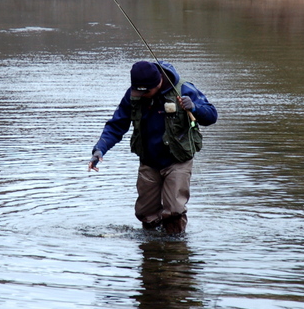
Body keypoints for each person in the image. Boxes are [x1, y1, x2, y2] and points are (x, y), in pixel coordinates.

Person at [88, 60, 217, 234]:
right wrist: (99, 149)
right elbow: (116, 125)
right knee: (145, 213)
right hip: (149, 160)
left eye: (146, 92)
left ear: (158, 83)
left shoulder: (184, 89)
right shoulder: (133, 95)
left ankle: (176, 253)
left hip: (178, 160)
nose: (142, 96)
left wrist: (195, 107)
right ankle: (151, 253)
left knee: (173, 211)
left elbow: (211, 116)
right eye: (138, 92)